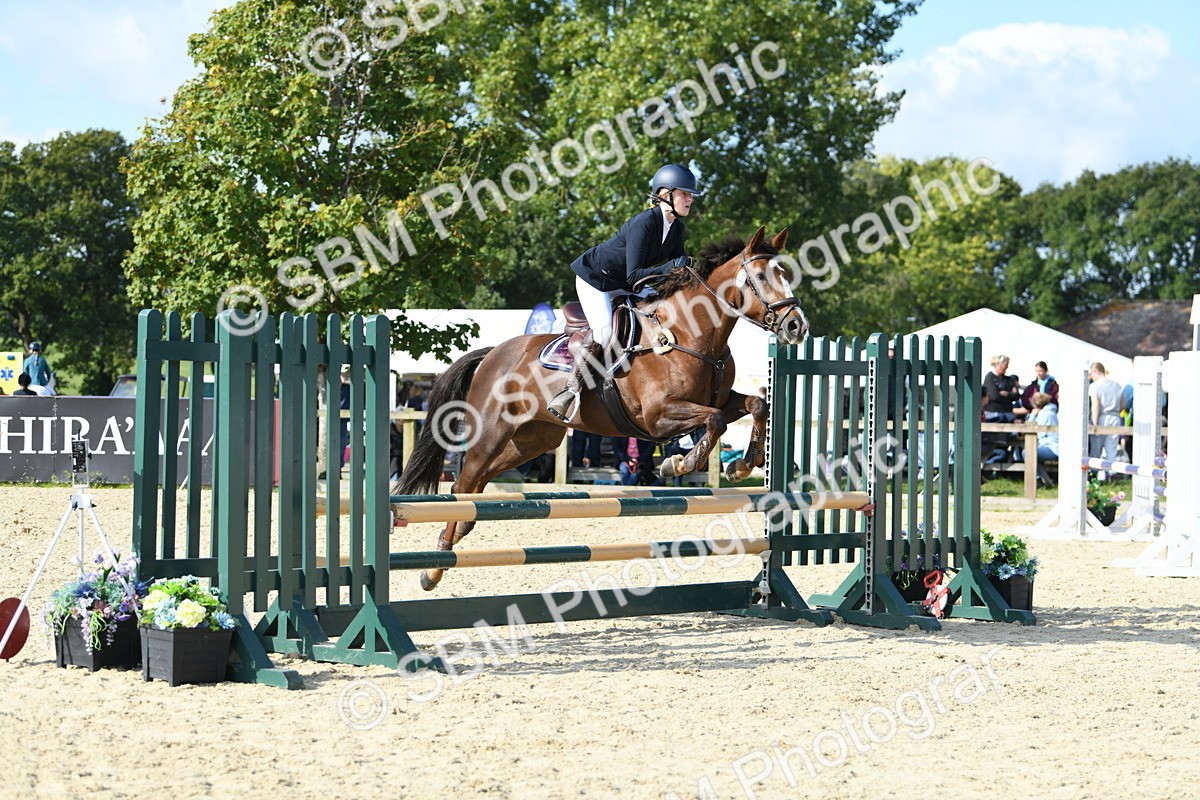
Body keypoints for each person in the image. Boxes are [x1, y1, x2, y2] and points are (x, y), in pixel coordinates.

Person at [546, 163, 702, 422]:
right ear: (665, 195)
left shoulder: (676, 228)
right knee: (605, 331)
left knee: (663, 313)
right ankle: (570, 390)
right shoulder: (644, 223)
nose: (690, 199)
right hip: (596, 280)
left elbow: (676, 271)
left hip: (627, 283)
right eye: (684, 194)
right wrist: (670, 267)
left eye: (690, 195)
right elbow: (635, 274)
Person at [1088, 362, 1125, 469]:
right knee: (1111, 449)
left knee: (1096, 449)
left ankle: (1095, 472)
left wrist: (1094, 424)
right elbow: (1123, 404)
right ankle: (1110, 472)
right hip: (1115, 417)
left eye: (1091, 373)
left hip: (1101, 417)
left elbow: (1096, 405)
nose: (1091, 377)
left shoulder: (1094, 386)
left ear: (1096, 371)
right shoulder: (1117, 385)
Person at [1030, 391, 1059, 462]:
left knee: (1028, 453)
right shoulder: (1052, 412)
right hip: (1054, 446)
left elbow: (1030, 427)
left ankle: (1038, 470)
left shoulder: (1044, 414)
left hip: (1051, 447)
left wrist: (1032, 415)